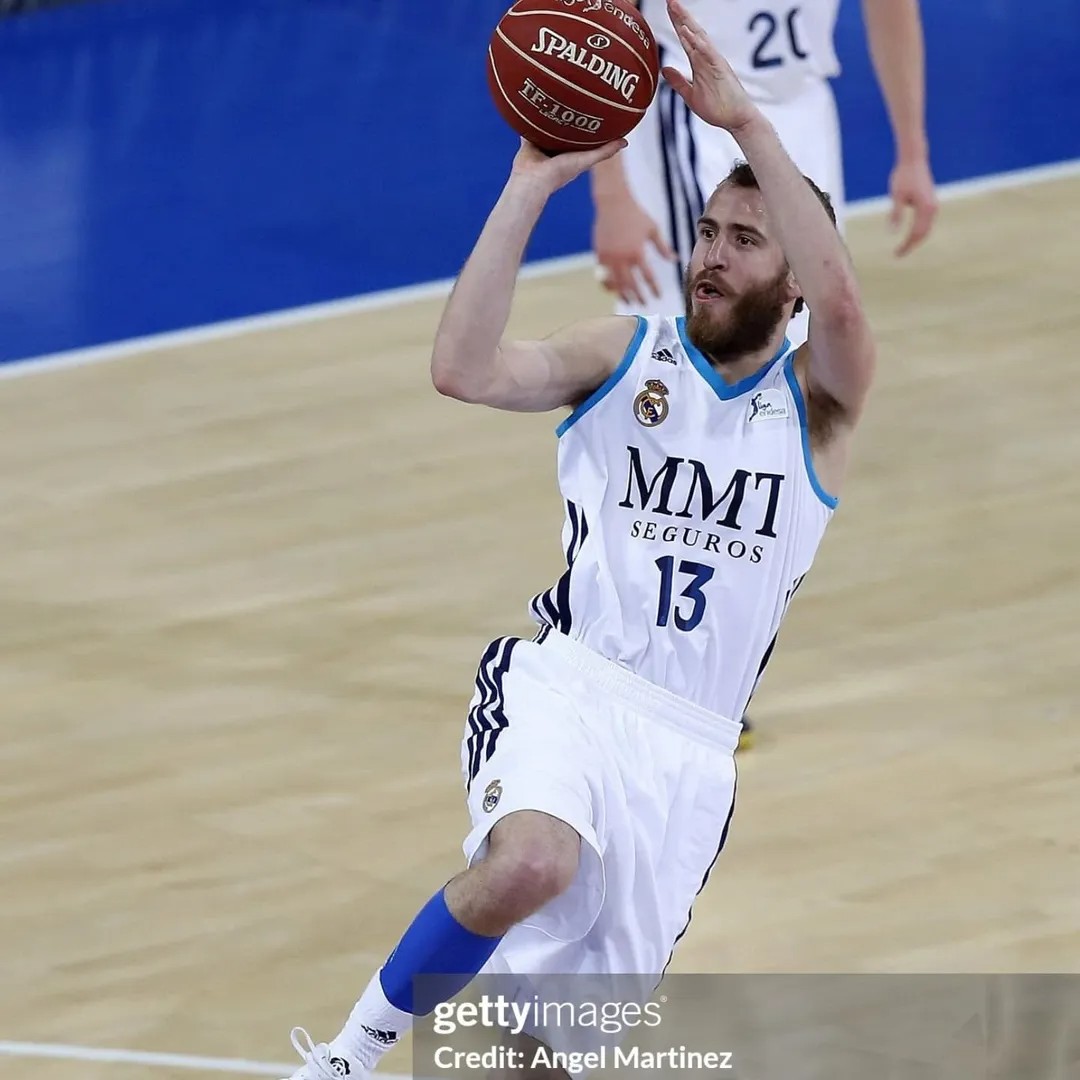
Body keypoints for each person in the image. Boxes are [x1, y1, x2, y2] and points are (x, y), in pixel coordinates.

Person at [280, 1, 876, 1076]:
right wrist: (529, 184)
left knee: (542, 1061)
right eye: (708, 232)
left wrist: (748, 124)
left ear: (794, 281)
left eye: (745, 242)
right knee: (529, 865)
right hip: (574, 686)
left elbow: (844, 304)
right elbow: (463, 369)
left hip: (689, 759)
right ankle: (343, 1060)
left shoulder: (819, 405)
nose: (710, 256)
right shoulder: (627, 353)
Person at [591, 0, 934, 748]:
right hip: (690, 113)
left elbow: (891, 7)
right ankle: (637, 648)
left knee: (778, 407)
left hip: (800, 115)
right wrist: (611, 191)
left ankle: (706, 653)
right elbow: (600, 16)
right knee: (675, 396)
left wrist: (912, 147)